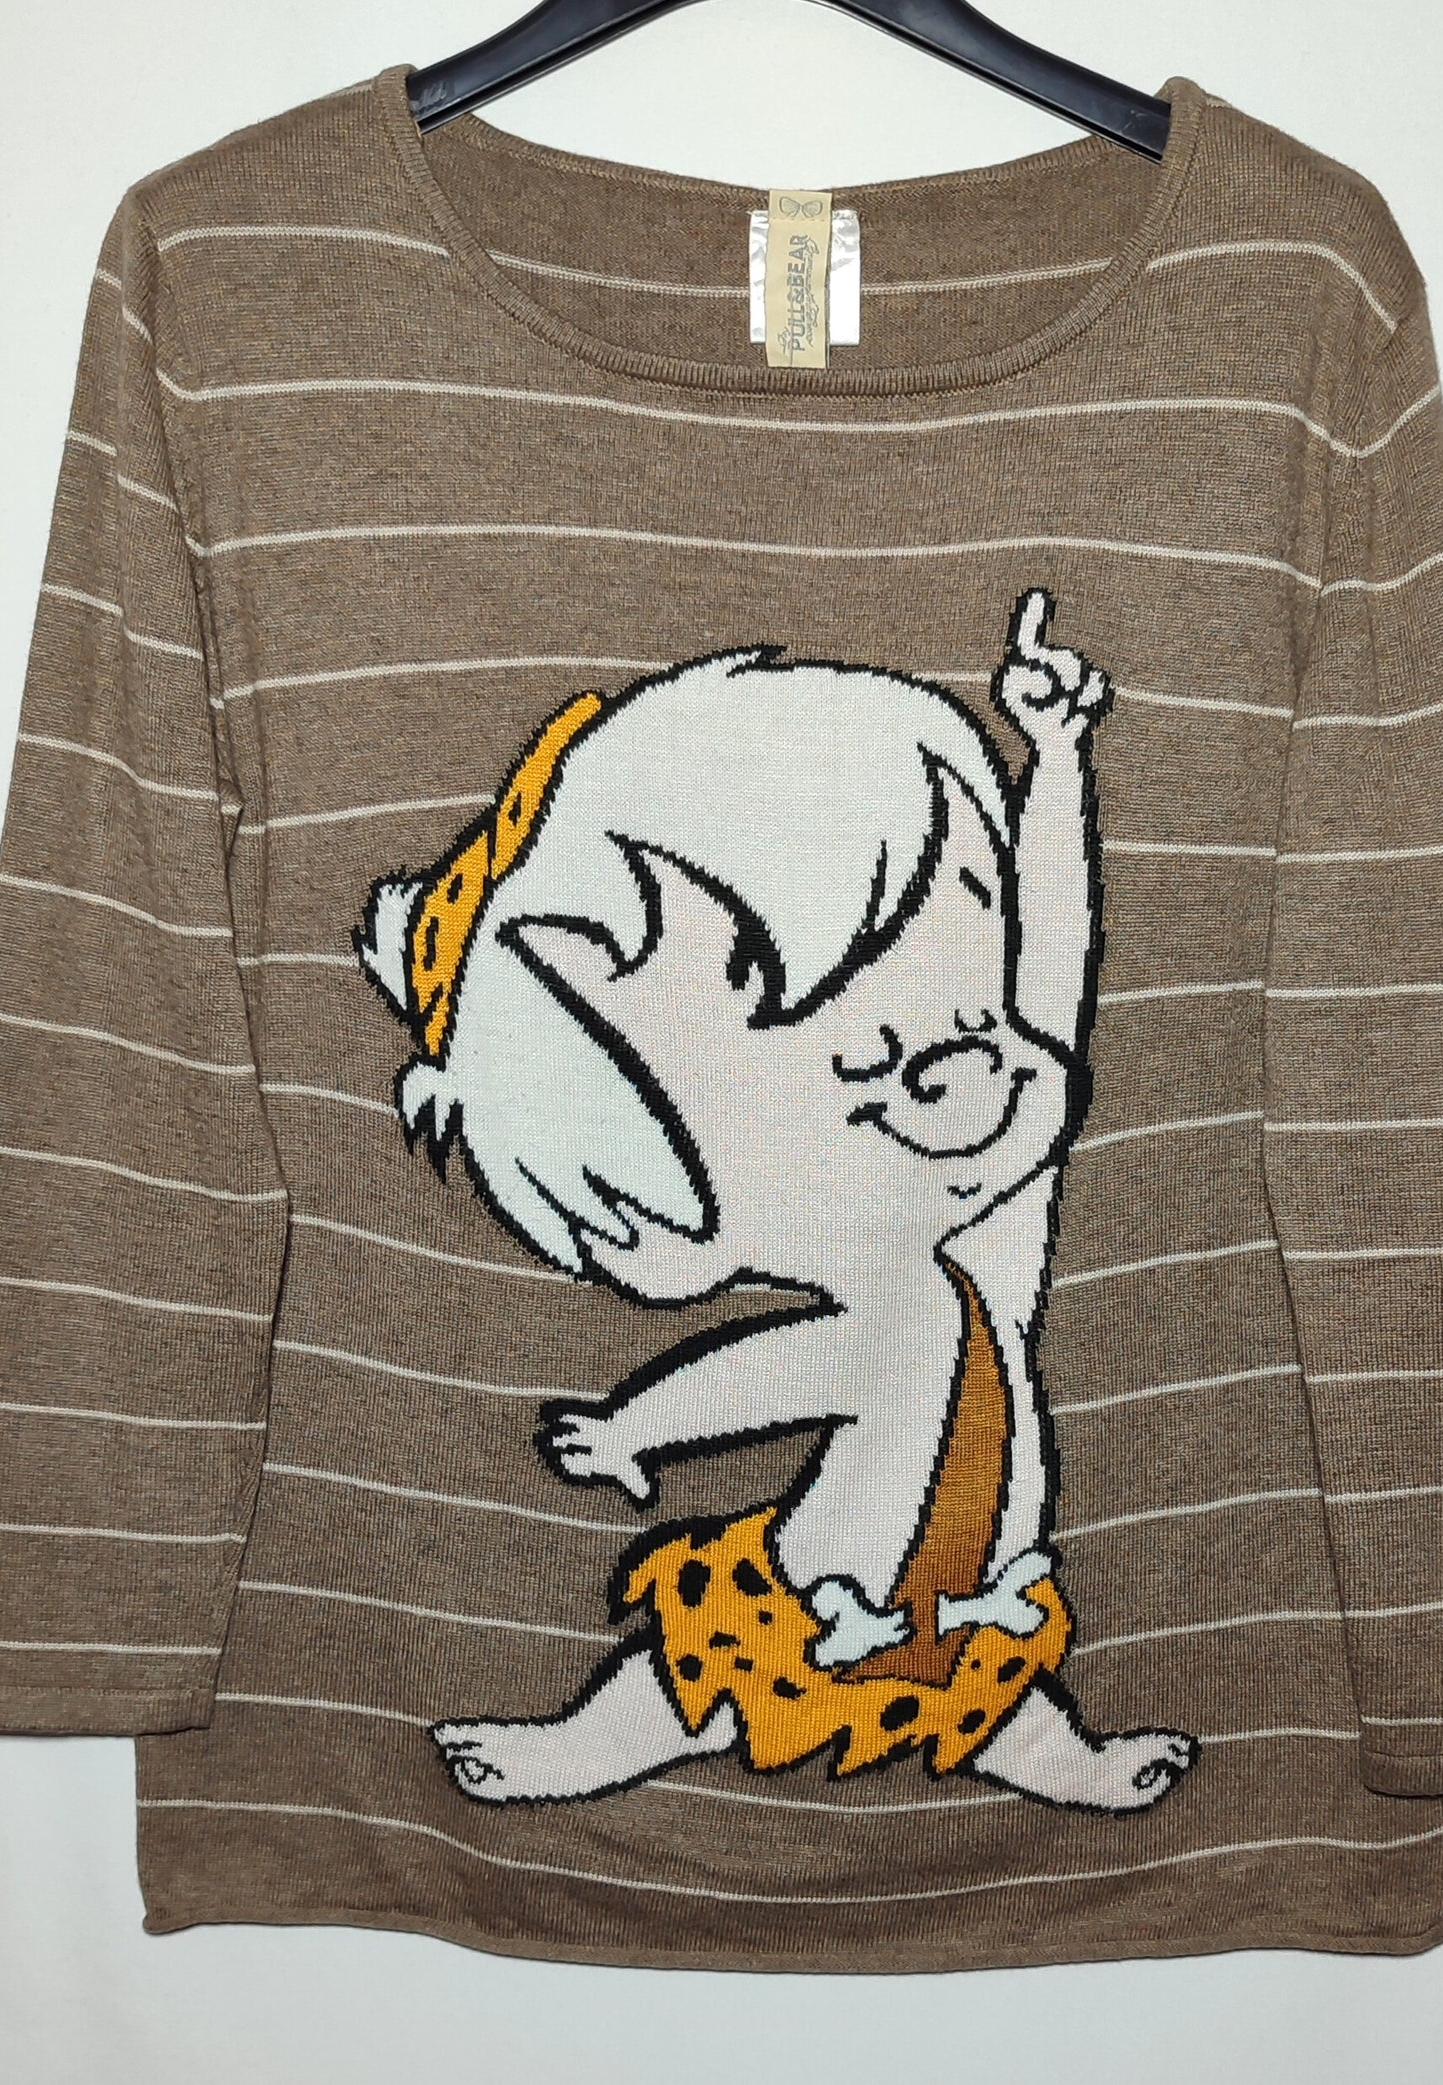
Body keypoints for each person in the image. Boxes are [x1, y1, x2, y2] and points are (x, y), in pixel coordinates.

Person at [355, 590, 1198, 1812]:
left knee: (1000, 1700)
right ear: (655, 1223)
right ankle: (573, 1749)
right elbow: (758, 1380)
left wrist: (1055, 768)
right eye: (861, 1071)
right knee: (687, 1688)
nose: (970, 1069)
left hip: (964, 1604)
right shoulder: (907, 1306)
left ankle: (1065, 1766)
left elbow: (1053, 968)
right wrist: (632, 1432)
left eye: (968, 1013)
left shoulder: (991, 1235)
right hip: (817, 1602)